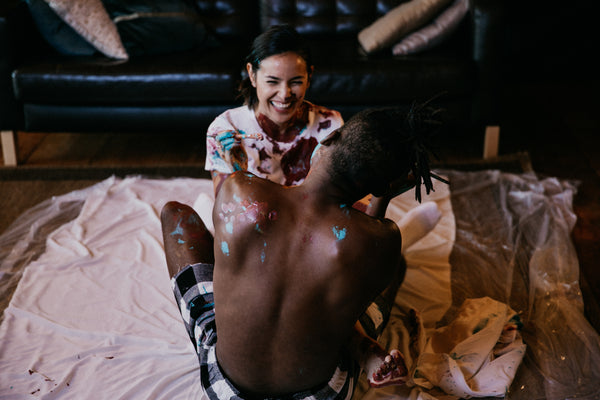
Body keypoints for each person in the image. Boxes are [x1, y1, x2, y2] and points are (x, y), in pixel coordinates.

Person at [161, 103, 445, 399]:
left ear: (329, 139)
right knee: (388, 270)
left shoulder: (237, 189)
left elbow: (237, 234)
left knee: (174, 214)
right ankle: (365, 351)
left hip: (227, 389)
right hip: (319, 394)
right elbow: (361, 271)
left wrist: (238, 171)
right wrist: (381, 199)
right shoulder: (383, 241)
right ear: (384, 185)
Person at [205, 24, 344, 194]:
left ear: (309, 77)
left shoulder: (330, 125)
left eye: (296, 82)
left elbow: (337, 198)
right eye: (272, 81)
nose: (284, 94)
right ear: (252, 75)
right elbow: (227, 211)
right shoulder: (225, 130)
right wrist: (238, 170)